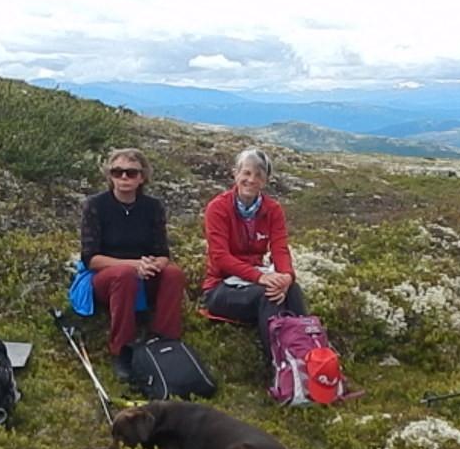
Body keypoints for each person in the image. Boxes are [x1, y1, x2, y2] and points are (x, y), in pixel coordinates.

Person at [76, 148, 187, 357]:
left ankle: (166, 341)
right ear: (110, 176)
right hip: (106, 277)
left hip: (144, 272)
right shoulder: (96, 205)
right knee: (125, 275)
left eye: (131, 172)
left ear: (142, 177)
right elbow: (91, 259)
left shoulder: (153, 207)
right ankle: (122, 349)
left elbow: (163, 252)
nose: (124, 177)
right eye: (117, 172)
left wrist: (153, 265)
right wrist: (135, 265)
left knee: (173, 274)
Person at [198, 148, 310, 343]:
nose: (251, 180)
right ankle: (279, 363)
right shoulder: (218, 208)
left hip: (253, 280)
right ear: (236, 174)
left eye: (258, 175)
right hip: (220, 288)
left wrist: (286, 277)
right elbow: (220, 258)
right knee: (269, 295)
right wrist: (261, 277)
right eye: (246, 173)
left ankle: (307, 352)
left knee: (292, 289)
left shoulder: (273, 210)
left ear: (265, 181)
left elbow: (280, 248)